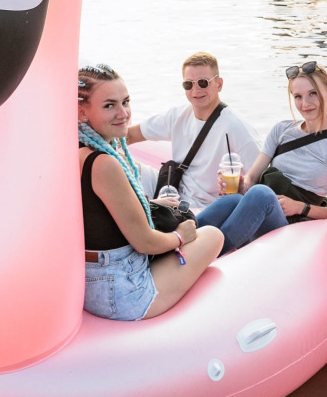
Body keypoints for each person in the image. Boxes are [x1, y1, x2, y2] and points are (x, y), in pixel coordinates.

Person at [77, 64, 223, 320]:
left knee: (214, 210)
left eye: (125, 102)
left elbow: (98, 210)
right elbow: (144, 242)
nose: (123, 113)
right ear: (82, 112)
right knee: (212, 234)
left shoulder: (77, 150)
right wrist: (181, 236)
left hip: (94, 280)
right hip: (124, 292)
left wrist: (152, 203)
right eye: (109, 105)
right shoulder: (104, 163)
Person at [128, 52, 262, 213]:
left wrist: (241, 187)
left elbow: (260, 181)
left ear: (219, 84)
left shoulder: (236, 128)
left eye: (203, 83)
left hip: (202, 207)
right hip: (173, 189)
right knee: (122, 165)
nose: (196, 90)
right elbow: (130, 135)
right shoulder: (177, 116)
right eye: (188, 84)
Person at [233, 61, 327, 225]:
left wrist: (301, 208)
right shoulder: (282, 130)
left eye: (313, 93)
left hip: (288, 219)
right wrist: (242, 186)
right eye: (298, 96)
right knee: (227, 202)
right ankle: (189, 234)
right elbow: (253, 177)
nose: (305, 104)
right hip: (259, 204)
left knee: (260, 194)